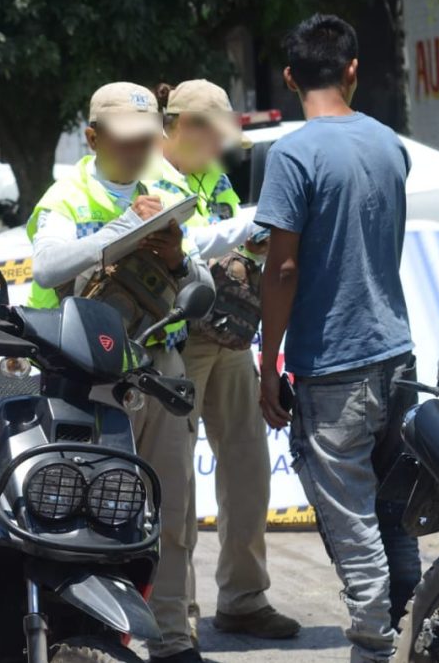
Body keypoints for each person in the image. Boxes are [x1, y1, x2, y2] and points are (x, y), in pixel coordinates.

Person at [27, 81, 213, 663]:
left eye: (146, 139)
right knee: (92, 505)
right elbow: (47, 263)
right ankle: (94, 631)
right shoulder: (68, 196)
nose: (137, 151)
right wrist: (121, 234)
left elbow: (202, 285)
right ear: (92, 137)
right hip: (87, 375)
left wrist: (177, 259)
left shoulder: (168, 188)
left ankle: (173, 636)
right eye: (125, 140)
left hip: (157, 365)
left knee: (172, 505)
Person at [254, 14, 420, 663]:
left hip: (334, 369)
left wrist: (269, 364)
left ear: (291, 77)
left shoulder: (292, 155)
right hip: (397, 354)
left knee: (356, 533)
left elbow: (283, 268)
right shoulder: (388, 144)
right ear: (353, 70)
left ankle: (376, 651)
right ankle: (418, 631)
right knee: (395, 517)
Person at [155, 79, 300, 642]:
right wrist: (249, 227)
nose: (223, 148)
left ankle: (243, 597)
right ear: (185, 126)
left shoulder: (213, 178)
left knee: (246, 466)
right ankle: (177, 616)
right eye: (214, 134)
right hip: (175, 340)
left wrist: (250, 248)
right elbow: (184, 243)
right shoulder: (151, 175)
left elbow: (227, 242)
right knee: (176, 481)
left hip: (228, 337)